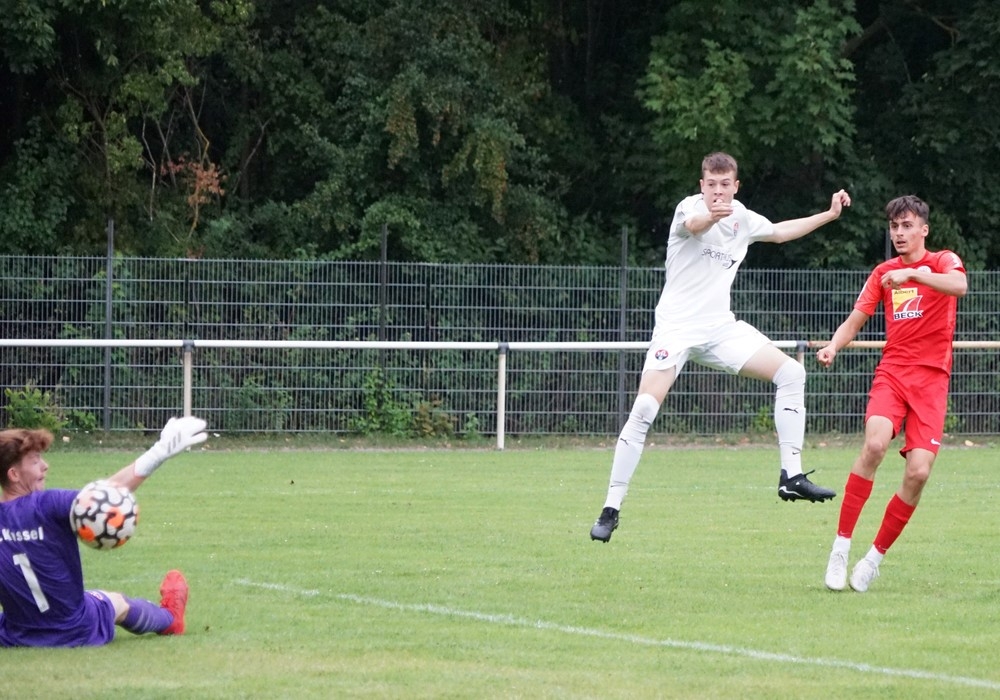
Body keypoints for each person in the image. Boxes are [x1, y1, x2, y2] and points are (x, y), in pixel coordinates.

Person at [590, 152, 851, 542]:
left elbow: (780, 232)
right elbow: (695, 226)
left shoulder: (742, 217)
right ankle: (610, 509)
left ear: (735, 186)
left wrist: (829, 215)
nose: (717, 191)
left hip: (719, 328)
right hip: (676, 329)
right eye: (710, 185)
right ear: (702, 186)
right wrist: (712, 216)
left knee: (792, 372)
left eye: (724, 185)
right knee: (644, 408)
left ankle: (791, 476)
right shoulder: (690, 209)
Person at [819, 195, 966, 593]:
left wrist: (915, 275)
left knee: (918, 473)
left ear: (924, 230)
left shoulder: (943, 261)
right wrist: (834, 345)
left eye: (906, 226)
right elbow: (855, 320)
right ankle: (840, 548)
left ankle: (873, 559)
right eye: (894, 227)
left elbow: (960, 285)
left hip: (932, 383)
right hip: (894, 374)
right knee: (874, 445)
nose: (899, 233)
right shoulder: (883, 273)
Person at [0, 415, 208, 646]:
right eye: (35, 461)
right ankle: (170, 619)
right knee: (114, 601)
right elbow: (104, 497)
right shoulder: (47, 504)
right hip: (76, 631)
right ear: (14, 474)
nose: (45, 465)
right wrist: (159, 452)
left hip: (17, 636)